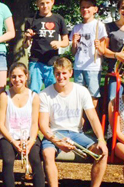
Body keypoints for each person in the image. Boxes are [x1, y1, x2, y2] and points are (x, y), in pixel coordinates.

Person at [39, 57, 108, 187]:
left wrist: (101, 139)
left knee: (102, 152)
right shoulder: (44, 94)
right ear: (54, 74)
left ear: (70, 73)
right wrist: (57, 142)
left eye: (64, 73)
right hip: (55, 133)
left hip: (77, 134)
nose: (61, 77)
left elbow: (93, 118)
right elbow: (43, 125)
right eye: (58, 73)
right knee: (47, 153)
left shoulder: (81, 91)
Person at [0, 62, 45, 187]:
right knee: (8, 160)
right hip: (9, 137)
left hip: (29, 137)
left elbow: (35, 123)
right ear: (9, 78)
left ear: (26, 76)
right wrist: (13, 142)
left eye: (20, 76)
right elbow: (0, 124)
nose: (17, 79)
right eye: (13, 77)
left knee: (35, 159)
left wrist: (31, 142)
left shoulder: (33, 96)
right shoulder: (4, 96)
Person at [23, 0, 69, 94]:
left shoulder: (58, 19)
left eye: (47, 3)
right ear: (37, 4)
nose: (45, 6)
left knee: (54, 91)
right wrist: (27, 37)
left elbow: (65, 41)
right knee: (34, 91)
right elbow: (25, 45)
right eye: (42, 3)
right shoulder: (31, 19)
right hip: (36, 61)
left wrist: (59, 43)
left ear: (52, 2)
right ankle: (35, 110)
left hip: (52, 62)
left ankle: (52, 110)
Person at [70, 0, 107, 107]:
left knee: (93, 95)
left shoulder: (99, 25)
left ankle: (91, 121)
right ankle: (81, 120)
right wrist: (74, 43)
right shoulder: (76, 27)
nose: (85, 10)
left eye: (88, 7)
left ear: (95, 10)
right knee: (78, 95)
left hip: (93, 66)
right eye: (83, 7)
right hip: (78, 66)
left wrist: (98, 47)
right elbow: (73, 52)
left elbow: (103, 51)